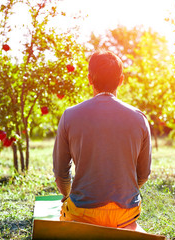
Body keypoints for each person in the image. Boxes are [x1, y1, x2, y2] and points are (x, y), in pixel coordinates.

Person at [53, 50, 151, 232]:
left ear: (90, 79)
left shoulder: (69, 116)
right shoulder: (140, 119)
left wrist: (67, 196)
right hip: (126, 213)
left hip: (82, 213)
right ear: (121, 80)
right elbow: (143, 175)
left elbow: (61, 174)